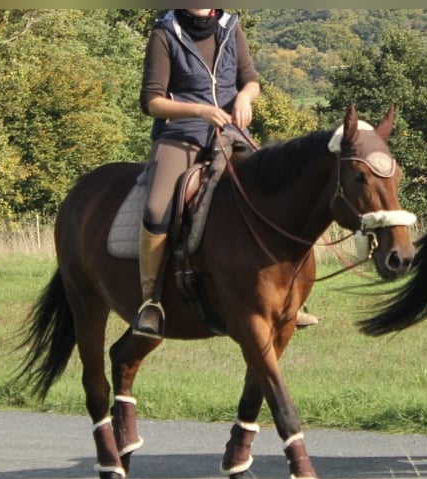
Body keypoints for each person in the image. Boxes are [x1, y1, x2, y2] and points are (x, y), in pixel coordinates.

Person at [134, 8, 317, 337]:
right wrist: (200, 110)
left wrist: (246, 96)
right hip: (181, 134)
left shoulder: (231, 27)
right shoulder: (164, 33)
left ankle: (291, 297)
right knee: (156, 208)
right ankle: (151, 301)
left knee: (276, 193)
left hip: (233, 132)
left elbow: (250, 80)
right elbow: (152, 102)